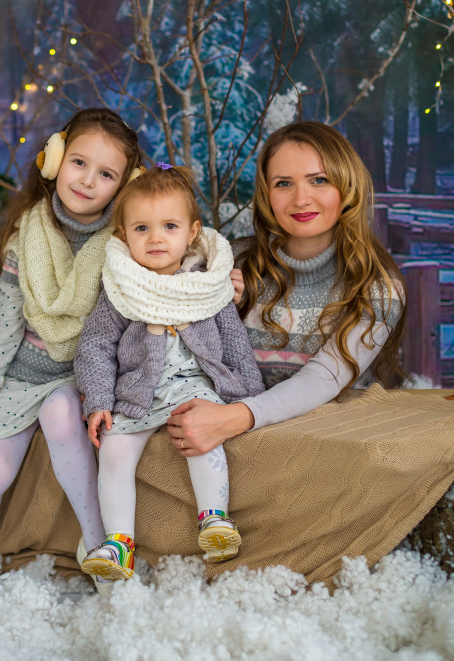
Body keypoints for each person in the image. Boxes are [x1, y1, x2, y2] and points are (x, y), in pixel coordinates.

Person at [0, 107, 143, 569]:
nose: (88, 180)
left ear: (125, 186)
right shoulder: (26, 236)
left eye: (106, 173)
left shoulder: (123, 244)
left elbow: (172, 266)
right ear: (54, 160)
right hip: (20, 380)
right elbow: (2, 332)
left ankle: (98, 546)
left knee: (60, 408)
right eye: (79, 162)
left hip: (81, 376)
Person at [165, 120, 406, 455]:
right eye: (283, 184)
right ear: (267, 194)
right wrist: (213, 310)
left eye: (319, 180)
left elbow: (324, 378)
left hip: (329, 444)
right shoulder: (228, 261)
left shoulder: (378, 287)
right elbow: (169, 336)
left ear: (346, 187)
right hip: (229, 437)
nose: (301, 199)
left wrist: (237, 417)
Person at [74, 164, 264, 581]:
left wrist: (250, 394)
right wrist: (99, 401)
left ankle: (214, 519)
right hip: (139, 392)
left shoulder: (207, 283)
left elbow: (233, 340)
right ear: (123, 235)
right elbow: (96, 346)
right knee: (114, 452)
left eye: (169, 226)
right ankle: (118, 544)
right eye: (141, 228)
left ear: (192, 231)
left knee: (202, 436)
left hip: (196, 387)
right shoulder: (122, 286)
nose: (156, 238)